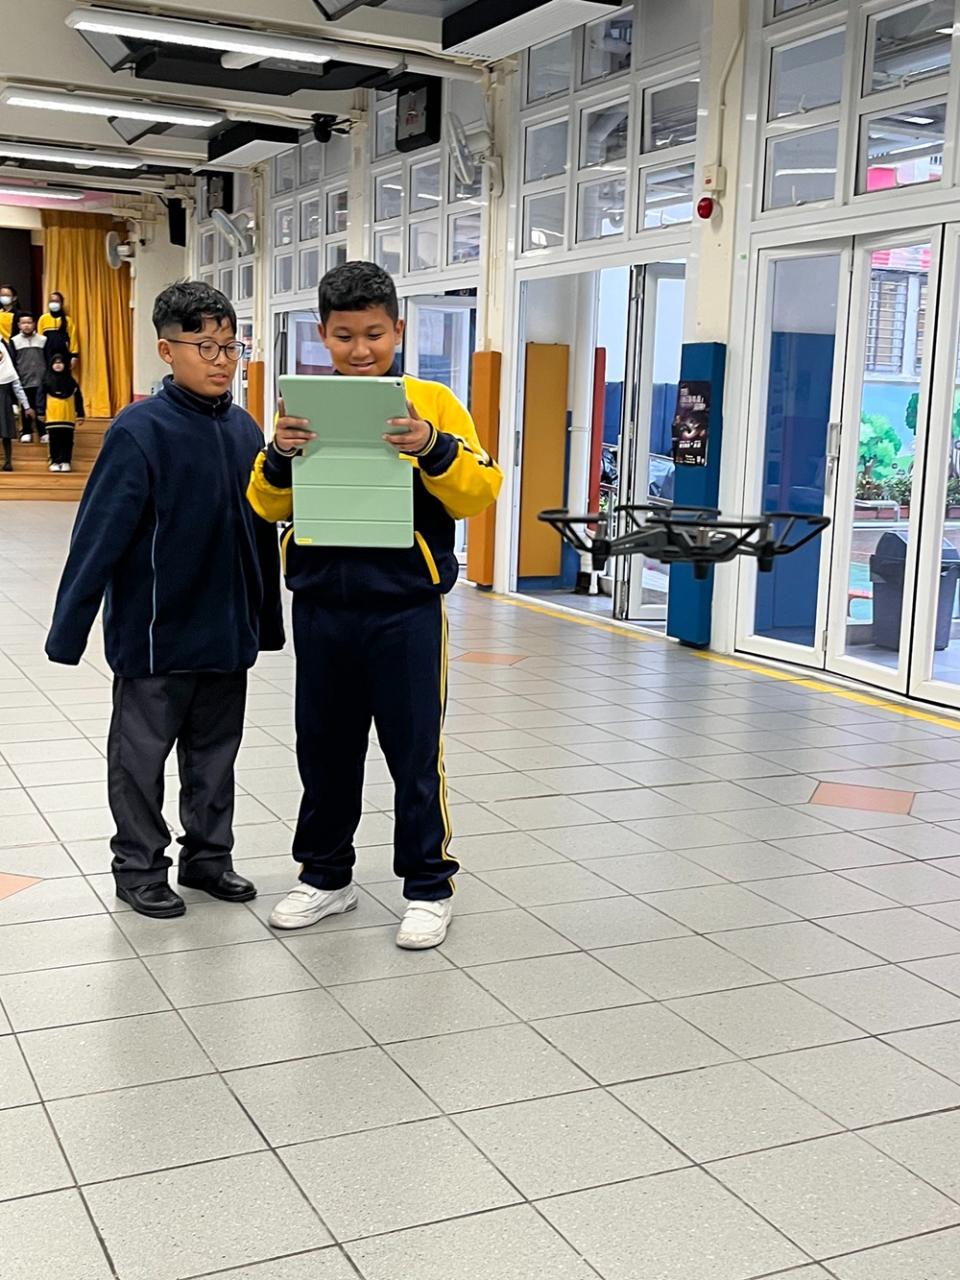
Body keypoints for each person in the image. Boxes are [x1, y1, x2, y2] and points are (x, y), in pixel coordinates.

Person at [247, 261, 502, 950]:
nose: (360, 350)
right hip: (322, 607)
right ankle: (325, 877)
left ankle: (429, 887)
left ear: (399, 329)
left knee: (413, 753)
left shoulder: (433, 402)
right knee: (324, 750)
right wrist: (280, 453)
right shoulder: (303, 405)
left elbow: (479, 492)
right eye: (343, 336)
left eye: (374, 334)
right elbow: (264, 503)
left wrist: (431, 447)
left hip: (406, 609)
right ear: (321, 335)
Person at [46, 280, 284, 919]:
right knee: (140, 761)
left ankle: (208, 859)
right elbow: (98, 534)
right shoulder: (139, 430)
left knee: (215, 759)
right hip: (156, 636)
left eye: (230, 346)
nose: (221, 360)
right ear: (166, 350)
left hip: (226, 633)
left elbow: (260, 534)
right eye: (205, 346)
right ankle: (139, 867)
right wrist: (69, 631)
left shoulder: (244, 428)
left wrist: (264, 622)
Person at [38, 353, 84, 472]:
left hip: (68, 416)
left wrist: (80, 413)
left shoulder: (71, 381)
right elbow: (40, 397)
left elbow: (78, 398)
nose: (58, 365)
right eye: (55, 363)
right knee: (54, 440)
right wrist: (40, 412)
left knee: (67, 440)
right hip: (52, 415)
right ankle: (55, 461)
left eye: (61, 363)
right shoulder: (46, 380)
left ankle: (66, 461)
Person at [11, 314, 48, 444]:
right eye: (23, 323)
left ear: (34, 324)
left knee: (40, 407)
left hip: (40, 380)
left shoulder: (43, 339)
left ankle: (43, 432)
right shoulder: (14, 341)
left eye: (29, 322)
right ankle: (26, 431)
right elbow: (13, 361)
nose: (26, 325)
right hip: (23, 379)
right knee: (26, 406)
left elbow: (48, 359)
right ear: (19, 325)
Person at [0, 338, 33, 471]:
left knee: (6, 433)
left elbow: (18, 388)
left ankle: (8, 461)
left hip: (4, 402)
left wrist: (27, 406)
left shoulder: (8, 370)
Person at [38, 292, 79, 367]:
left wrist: (74, 355)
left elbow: (73, 339)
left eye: (56, 301)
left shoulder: (68, 320)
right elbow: (39, 338)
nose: (54, 303)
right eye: (52, 301)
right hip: (48, 354)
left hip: (63, 354)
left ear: (61, 303)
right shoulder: (43, 319)